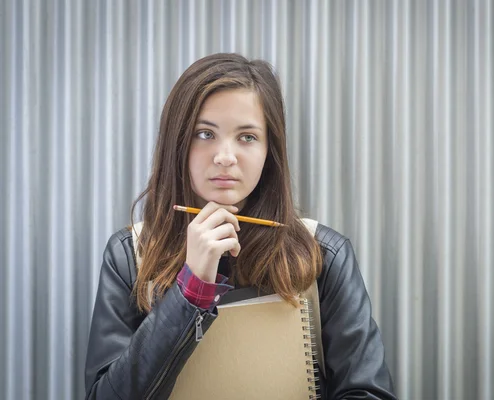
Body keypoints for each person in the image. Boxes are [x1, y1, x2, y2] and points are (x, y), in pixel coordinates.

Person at [84, 53, 396, 399]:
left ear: (269, 151)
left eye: (247, 137)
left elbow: (368, 392)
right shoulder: (130, 255)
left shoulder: (323, 254)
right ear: (178, 144)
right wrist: (191, 289)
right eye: (205, 134)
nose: (225, 156)